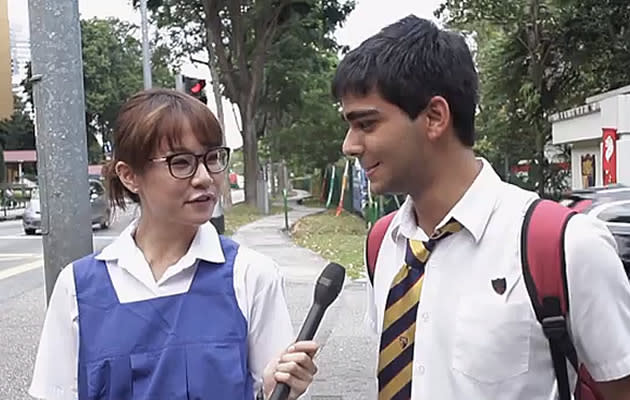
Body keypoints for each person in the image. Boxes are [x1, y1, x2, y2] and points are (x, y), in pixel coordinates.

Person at [332, 15, 630, 400]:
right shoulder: (383, 244)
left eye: (366, 124)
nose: (349, 145)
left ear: (435, 117)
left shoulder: (565, 245)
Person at [29, 89, 318, 400]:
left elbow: (274, 391)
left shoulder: (251, 276)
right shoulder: (77, 287)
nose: (205, 177)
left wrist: (279, 392)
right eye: (181, 163)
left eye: (212, 158)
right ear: (129, 176)